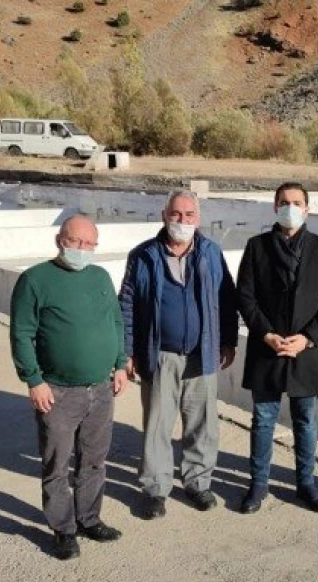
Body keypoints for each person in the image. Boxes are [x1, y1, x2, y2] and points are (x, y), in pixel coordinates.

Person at [10, 214, 127, 560]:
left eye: (90, 244)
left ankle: (89, 518)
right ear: (60, 240)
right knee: (57, 465)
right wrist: (33, 379)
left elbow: (116, 322)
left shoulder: (101, 276)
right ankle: (63, 529)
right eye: (76, 242)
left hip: (101, 388)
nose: (82, 249)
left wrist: (120, 364)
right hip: (57, 391)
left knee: (94, 460)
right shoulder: (35, 280)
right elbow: (21, 333)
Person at [120, 190, 238, 519]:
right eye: (176, 214)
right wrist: (127, 351)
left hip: (203, 352)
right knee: (158, 424)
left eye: (189, 215)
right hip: (159, 353)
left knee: (202, 424)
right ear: (164, 215)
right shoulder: (143, 256)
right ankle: (155, 489)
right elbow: (127, 304)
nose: (182, 221)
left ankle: (198, 482)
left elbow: (227, 298)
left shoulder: (211, 253)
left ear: (197, 220)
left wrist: (228, 340)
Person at [236, 182, 318, 514]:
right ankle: (258, 484)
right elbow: (245, 296)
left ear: (307, 208)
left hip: (306, 352)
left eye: (297, 202)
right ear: (274, 207)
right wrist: (266, 334)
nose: (290, 207)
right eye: (284, 202)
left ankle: (306, 484)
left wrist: (308, 337)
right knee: (264, 419)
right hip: (267, 348)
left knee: (305, 421)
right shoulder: (256, 247)